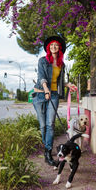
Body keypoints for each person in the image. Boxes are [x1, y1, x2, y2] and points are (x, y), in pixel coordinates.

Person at [33, 36, 77, 166]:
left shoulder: (61, 64)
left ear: (59, 48)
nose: (53, 47)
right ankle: (46, 146)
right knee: (43, 126)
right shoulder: (42, 61)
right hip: (41, 94)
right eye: (51, 45)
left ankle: (48, 152)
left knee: (50, 124)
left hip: (53, 95)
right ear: (48, 48)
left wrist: (67, 84)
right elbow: (42, 77)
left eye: (56, 45)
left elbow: (58, 81)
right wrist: (46, 89)